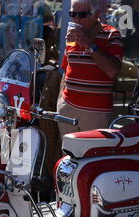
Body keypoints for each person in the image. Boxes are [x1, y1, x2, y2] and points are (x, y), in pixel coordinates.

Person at [57, 0, 124, 137]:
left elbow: (112, 71)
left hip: (95, 111)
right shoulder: (72, 37)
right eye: (72, 14)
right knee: (68, 155)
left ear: (96, 14)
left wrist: (89, 45)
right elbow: (66, 68)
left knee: (93, 155)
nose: (76, 19)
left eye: (81, 15)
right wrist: (60, 101)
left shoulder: (111, 35)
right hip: (67, 107)